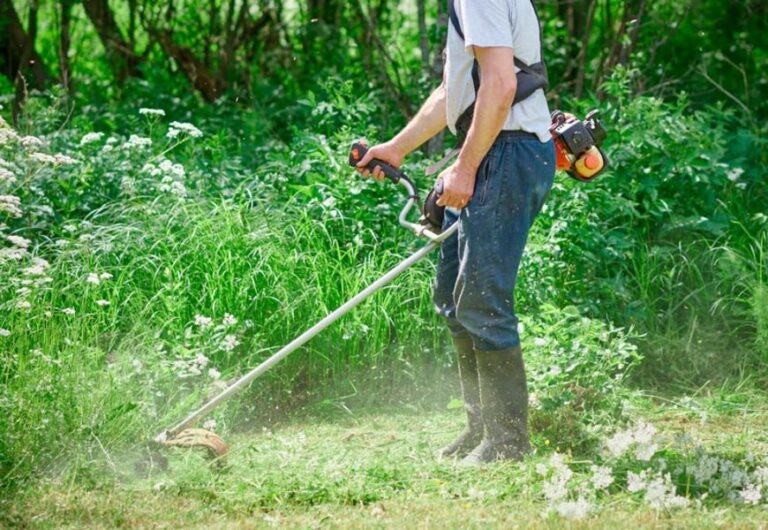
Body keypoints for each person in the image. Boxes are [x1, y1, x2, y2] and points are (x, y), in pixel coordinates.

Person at [355, 0, 555, 465]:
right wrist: (398, 148)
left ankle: (508, 443)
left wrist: (463, 169)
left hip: (509, 149)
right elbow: (456, 90)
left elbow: (502, 86)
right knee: (453, 297)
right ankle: (482, 430)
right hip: (492, 146)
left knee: (482, 300)